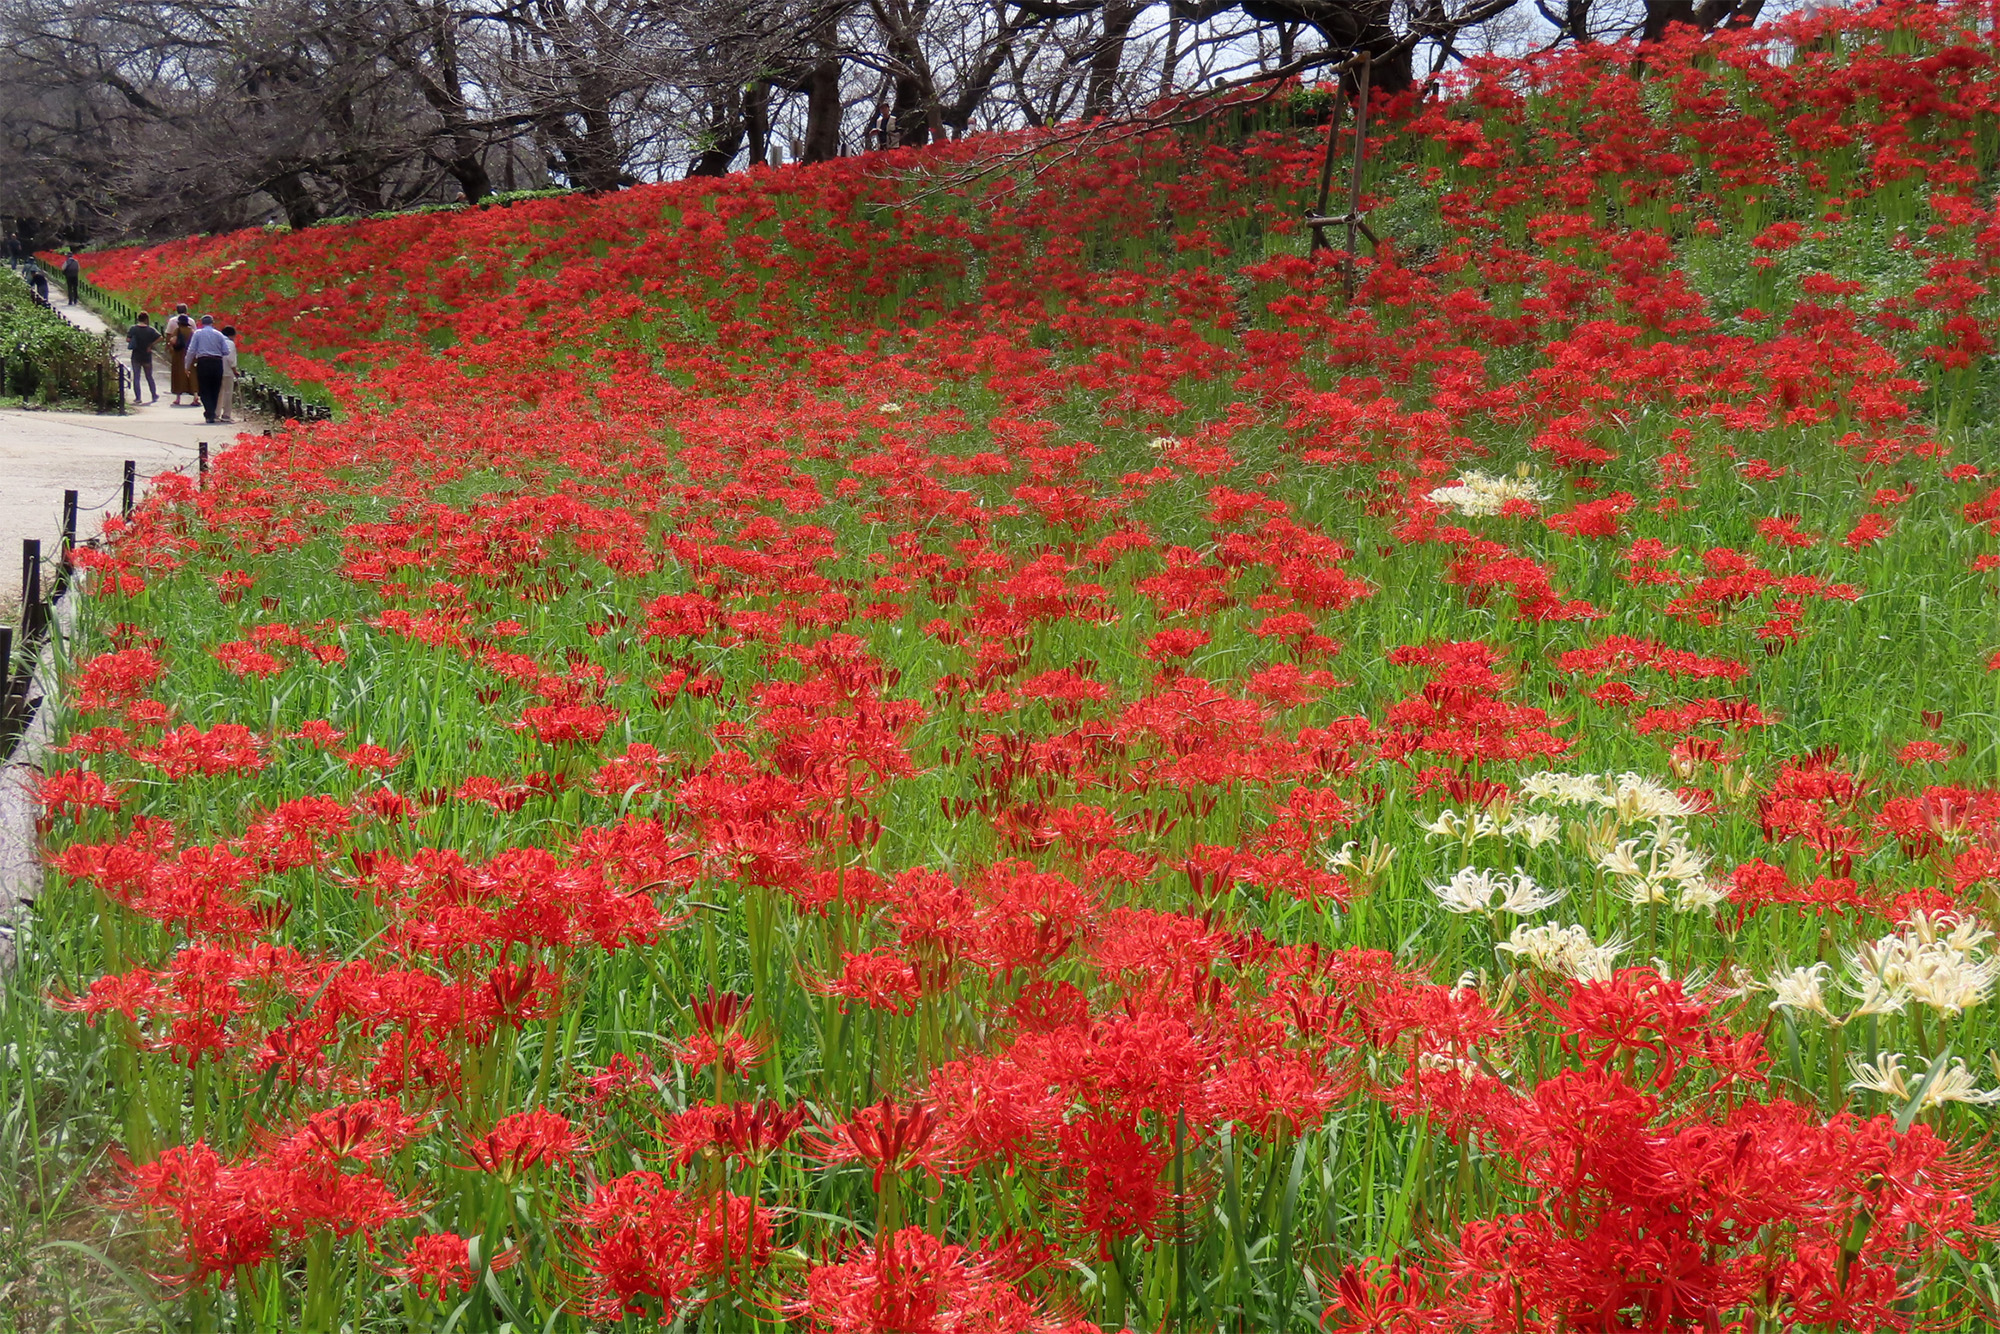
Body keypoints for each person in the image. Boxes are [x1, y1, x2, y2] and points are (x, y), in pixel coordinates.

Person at [185, 315, 230, 423]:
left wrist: (187, 366)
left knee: (204, 389)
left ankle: (209, 412)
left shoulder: (198, 333)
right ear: (212, 323)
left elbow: (191, 350)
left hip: (203, 362)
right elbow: (226, 351)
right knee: (215, 388)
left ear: (201, 323)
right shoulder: (219, 335)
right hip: (216, 362)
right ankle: (211, 412)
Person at [127, 312, 161, 403]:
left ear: (138, 319)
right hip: (146, 355)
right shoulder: (150, 330)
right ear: (146, 319)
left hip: (136, 355)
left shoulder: (133, 329)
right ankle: (154, 395)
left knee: (136, 377)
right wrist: (151, 345)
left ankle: (138, 398)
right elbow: (160, 337)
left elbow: (128, 339)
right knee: (149, 376)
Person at [167, 305, 195, 406]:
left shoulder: (174, 326)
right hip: (189, 354)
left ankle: (178, 397)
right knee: (192, 375)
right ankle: (195, 396)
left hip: (178, 354)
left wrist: (170, 348)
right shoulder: (191, 328)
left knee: (178, 375)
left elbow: (170, 338)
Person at [217, 325, 240, 423]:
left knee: (218, 393)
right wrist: (235, 370)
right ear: (231, 335)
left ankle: (215, 413)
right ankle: (226, 414)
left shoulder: (217, 341)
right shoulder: (230, 343)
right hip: (227, 371)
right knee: (227, 393)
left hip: (216, 370)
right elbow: (230, 359)